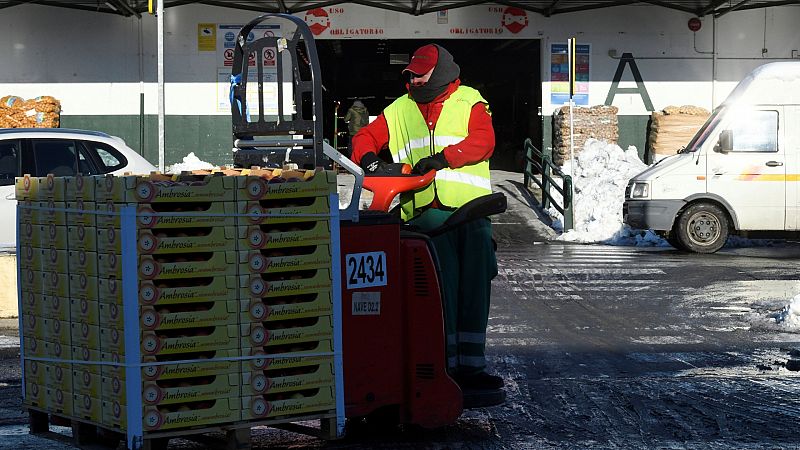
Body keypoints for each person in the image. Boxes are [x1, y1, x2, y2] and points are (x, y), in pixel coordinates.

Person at [350, 44, 503, 397]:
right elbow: (364, 138)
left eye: (421, 73)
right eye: (411, 74)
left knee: (474, 289)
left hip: (472, 212)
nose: (414, 78)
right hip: (426, 217)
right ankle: (445, 368)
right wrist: (370, 161)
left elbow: (484, 141)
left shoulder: (469, 101)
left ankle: (472, 367)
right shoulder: (400, 109)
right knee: (439, 294)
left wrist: (443, 159)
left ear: (443, 72)